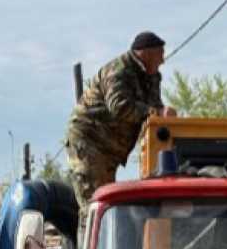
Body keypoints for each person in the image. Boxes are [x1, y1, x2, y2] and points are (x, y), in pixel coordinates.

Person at [65, 32, 176, 215]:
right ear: (147, 53)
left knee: (108, 209)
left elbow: (155, 109)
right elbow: (119, 106)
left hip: (110, 150)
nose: (163, 60)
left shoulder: (152, 77)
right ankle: (88, 244)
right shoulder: (118, 70)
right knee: (94, 208)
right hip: (90, 142)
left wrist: (165, 117)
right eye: (160, 54)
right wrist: (156, 112)